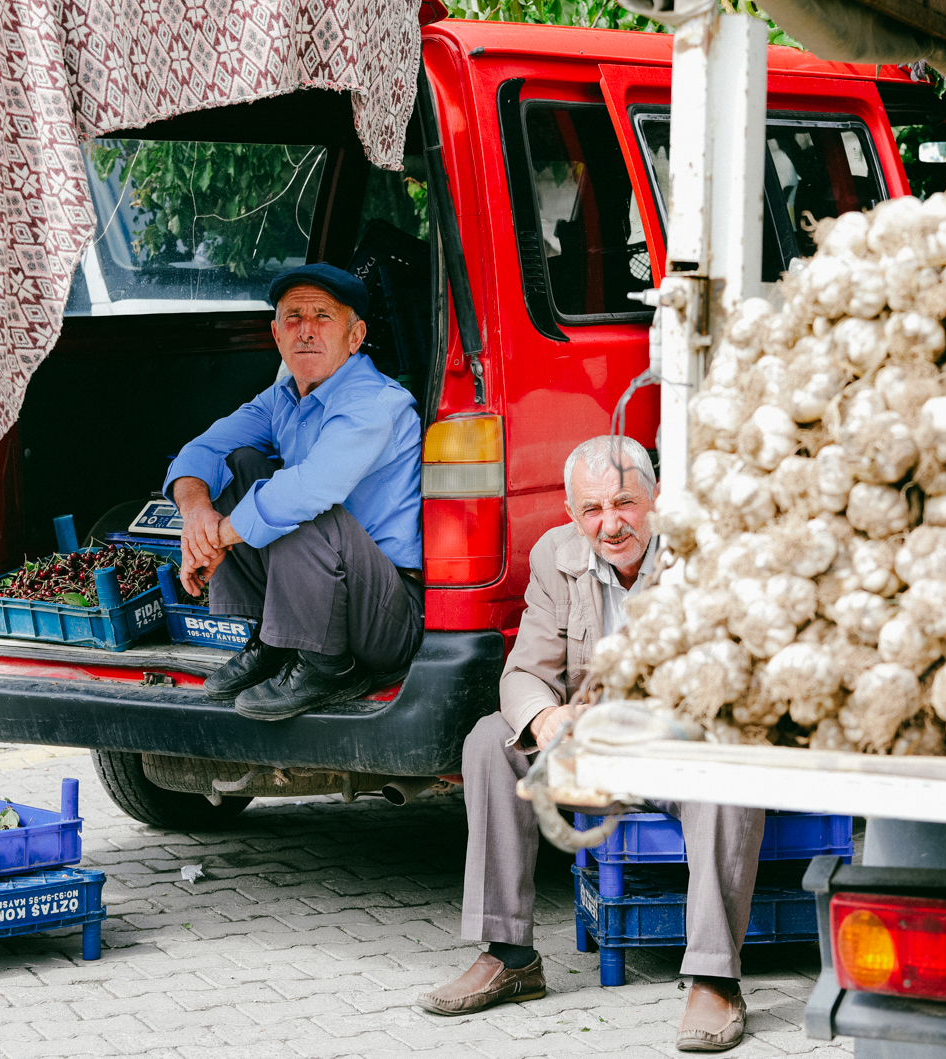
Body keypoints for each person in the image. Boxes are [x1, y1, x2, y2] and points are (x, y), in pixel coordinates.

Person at [417, 435, 765, 1053]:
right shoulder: (557, 555)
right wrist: (545, 717)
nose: (611, 524)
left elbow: (737, 677)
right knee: (491, 740)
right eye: (592, 510)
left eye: (625, 503)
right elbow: (524, 671)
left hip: (681, 746)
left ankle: (715, 979)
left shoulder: (702, 554)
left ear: (656, 500)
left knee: (729, 764)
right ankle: (510, 955)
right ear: (573, 515)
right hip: (593, 749)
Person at [164, 262, 424, 721]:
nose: (307, 331)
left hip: (385, 616)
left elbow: (309, 489)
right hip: (315, 592)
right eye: (293, 318)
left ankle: (328, 666)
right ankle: (275, 640)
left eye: (323, 316)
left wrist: (218, 537)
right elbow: (199, 452)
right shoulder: (282, 397)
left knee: (300, 503)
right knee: (238, 465)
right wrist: (197, 516)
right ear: (276, 334)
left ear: (355, 335)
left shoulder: (374, 403)